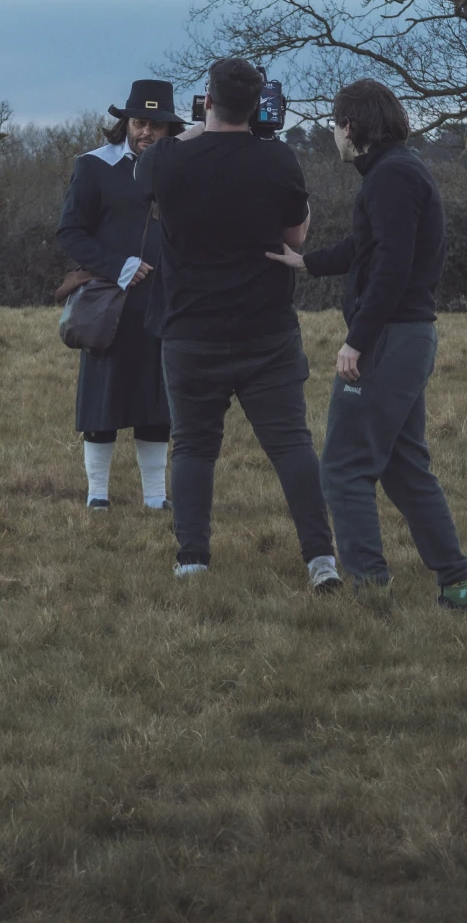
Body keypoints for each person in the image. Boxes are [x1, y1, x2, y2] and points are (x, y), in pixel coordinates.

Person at [266, 79, 467, 614]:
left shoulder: (391, 177)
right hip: (408, 336)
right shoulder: (397, 170)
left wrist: (356, 342)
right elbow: (368, 247)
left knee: (343, 468)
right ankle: (458, 589)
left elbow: (391, 269)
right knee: (404, 466)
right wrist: (307, 262)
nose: (333, 134)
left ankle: (371, 593)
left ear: (351, 126)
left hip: (391, 338)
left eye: (335, 122)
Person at [134, 56, 339, 590]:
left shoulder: (166, 161)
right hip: (266, 328)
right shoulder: (278, 161)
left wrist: (196, 130)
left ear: (207, 98)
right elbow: (296, 239)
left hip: (189, 329)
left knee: (195, 446)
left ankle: (192, 559)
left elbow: (149, 185)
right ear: (260, 104)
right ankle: (320, 560)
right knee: (291, 445)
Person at [55, 79, 183, 510]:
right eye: (140, 122)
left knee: (157, 405)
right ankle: (97, 495)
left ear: (170, 129)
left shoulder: (180, 168)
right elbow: (70, 232)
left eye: (156, 125)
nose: (146, 132)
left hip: (166, 303)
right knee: (102, 403)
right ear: (125, 122)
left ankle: (155, 498)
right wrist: (120, 266)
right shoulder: (93, 166)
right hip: (109, 304)